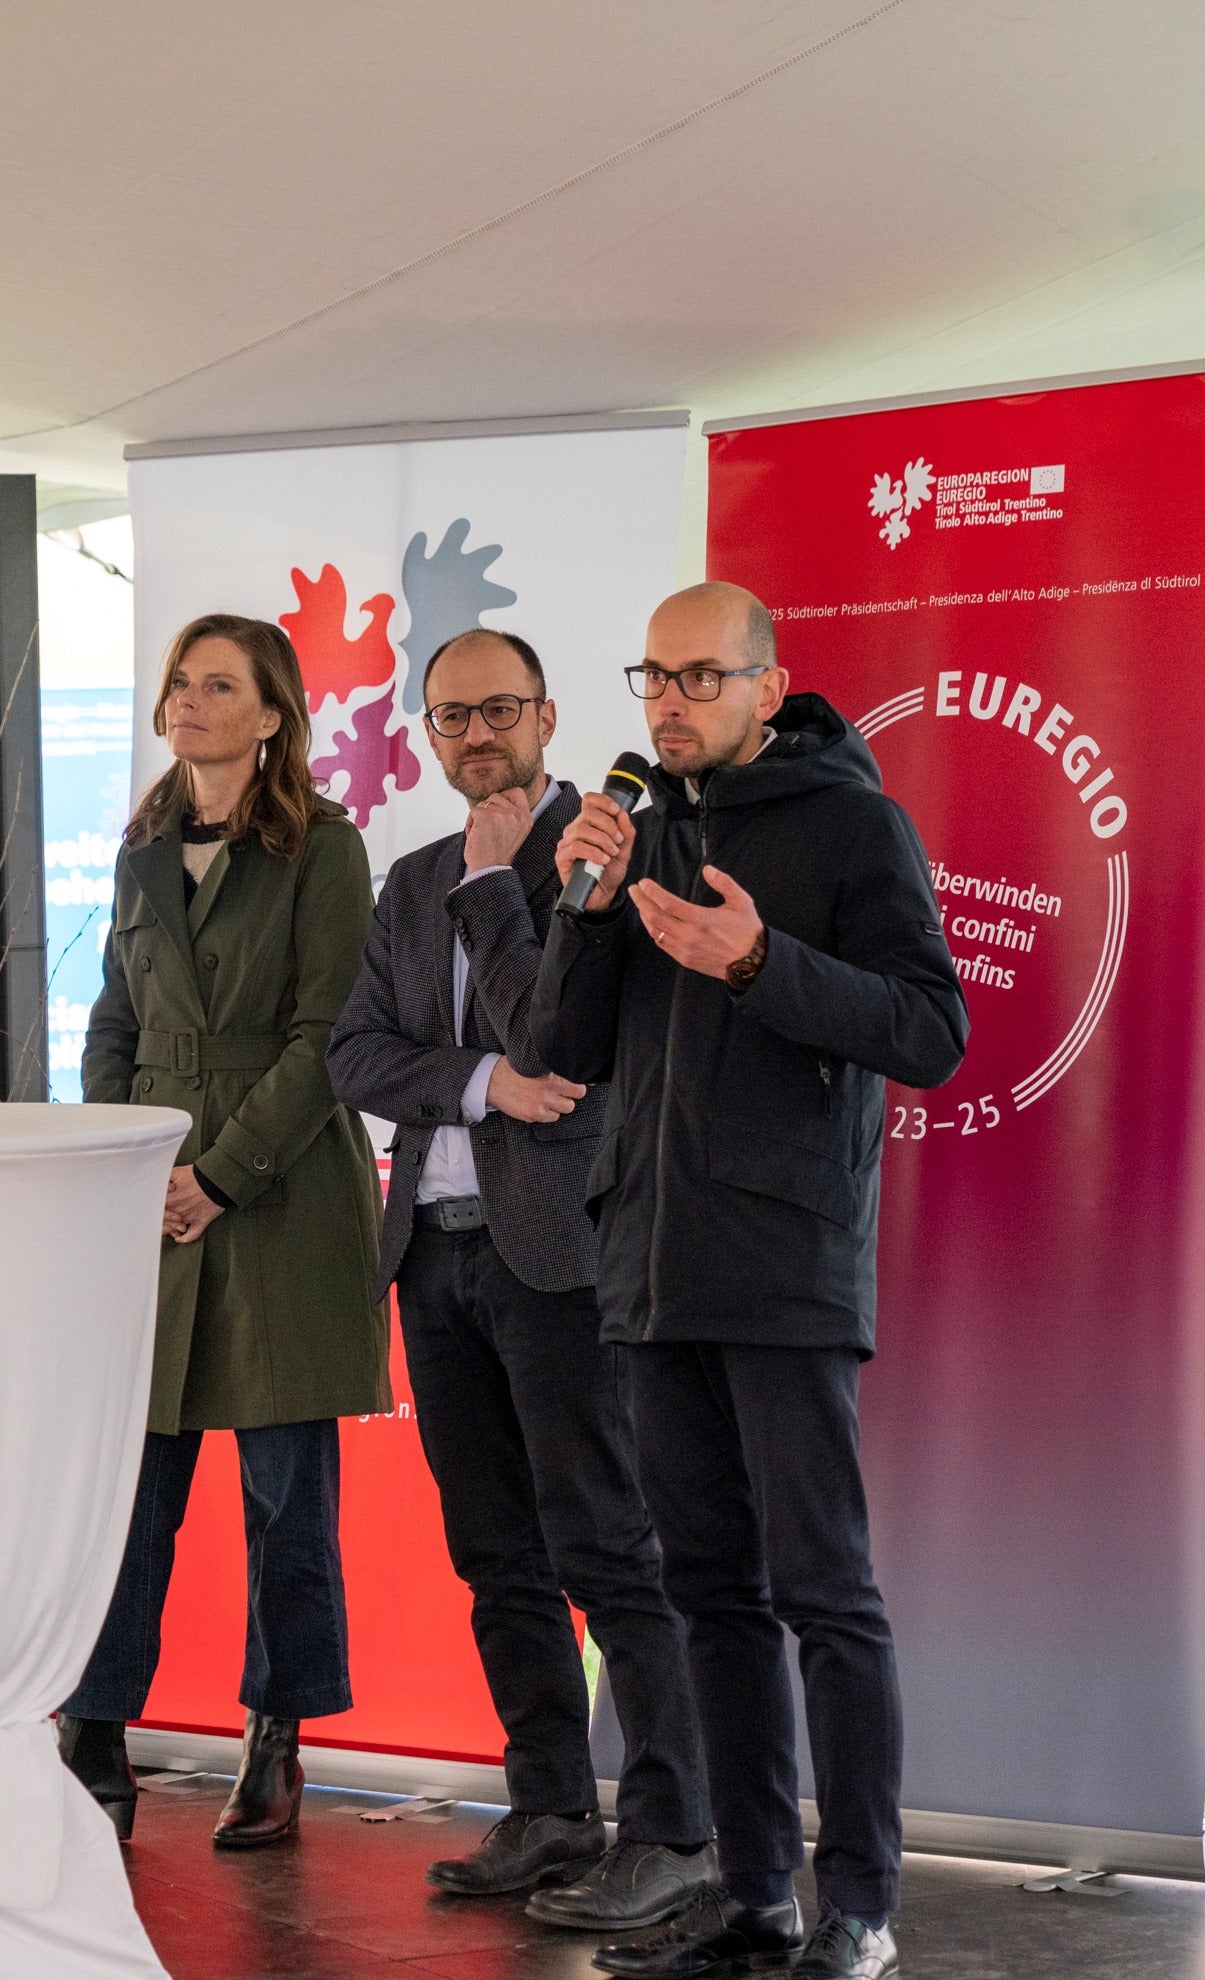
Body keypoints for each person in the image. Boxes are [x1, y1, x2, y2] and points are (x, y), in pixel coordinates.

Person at [530, 583, 966, 1980]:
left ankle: (861, 1908)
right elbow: (561, 1051)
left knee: (823, 1593)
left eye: (699, 678)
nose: (667, 702)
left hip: (783, 1263)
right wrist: (583, 911)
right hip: (651, 1267)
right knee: (707, 1593)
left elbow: (930, 1029)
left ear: (768, 689)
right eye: (651, 677)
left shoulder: (852, 824)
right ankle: (757, 1892)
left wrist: (761, 961)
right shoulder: (636, 829)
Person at [327, 628, 715, 1933]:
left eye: (498, 709)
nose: (475, 735)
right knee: (495, 1551)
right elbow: (356, 1055)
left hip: (560, 1254)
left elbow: (563, 1037)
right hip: (431, 1254)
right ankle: (550, 1806)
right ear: (428, 736)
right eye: (451, 717)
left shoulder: (603, 854)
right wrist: (485, 1084)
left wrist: (505, 896)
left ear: (546, 717)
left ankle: (673, 1829)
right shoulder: (411, 881)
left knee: (606, 1543)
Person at [57, 613, 385, 1851]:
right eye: (178, 684)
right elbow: (112, 1022)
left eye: (217, 685)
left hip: (282, 1195)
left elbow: (327, 1039)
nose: (187, 702)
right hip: (153, 1196)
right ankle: (92, 1729)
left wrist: (221, 1174)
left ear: (271, 714)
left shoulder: (324, 848)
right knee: (130, 1490)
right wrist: (125, 1156)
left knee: (284, 1496)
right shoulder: (141, 848)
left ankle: (276, 1732)